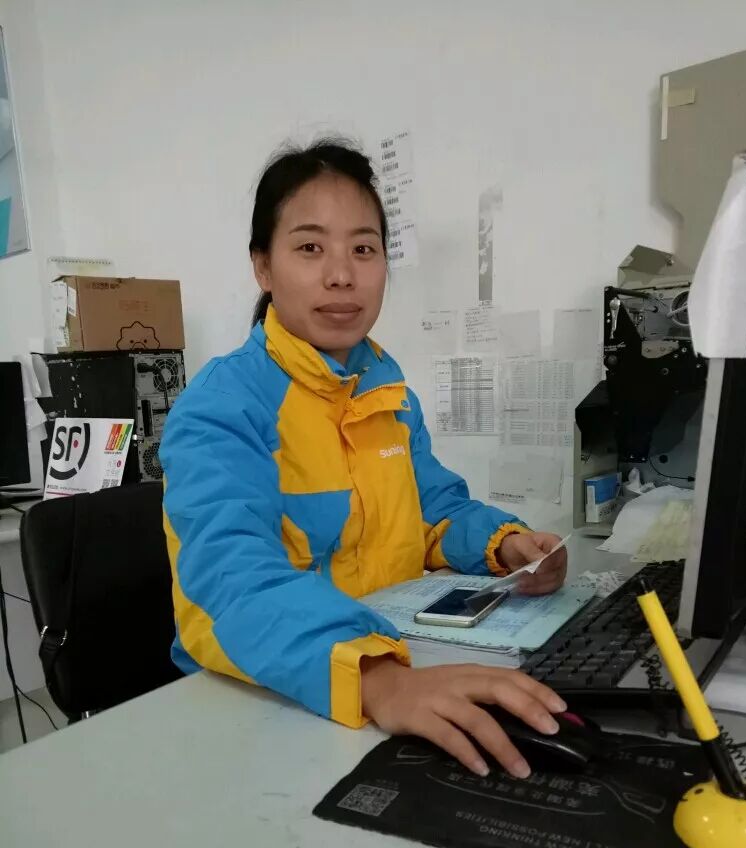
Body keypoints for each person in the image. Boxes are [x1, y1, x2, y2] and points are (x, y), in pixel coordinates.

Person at [160, 139, 569, 779]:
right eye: (310, 248)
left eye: (363, 249)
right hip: (260, 700)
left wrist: (506, 544)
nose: (342, 275)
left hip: (390, 669)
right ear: (263, 267)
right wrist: (376, 678)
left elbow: (434, 510)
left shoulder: (385, 389)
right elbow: (231, 582)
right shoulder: (222, 406)